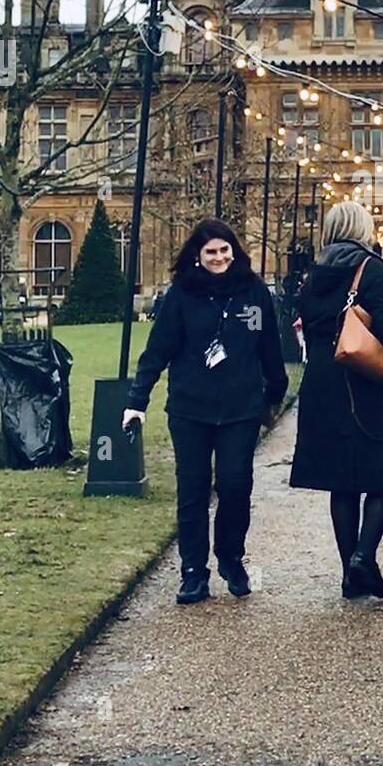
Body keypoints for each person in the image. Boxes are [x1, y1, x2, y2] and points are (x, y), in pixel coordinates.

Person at [123, 219, 288, 605]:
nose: (219, 258)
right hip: (190, 408)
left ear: (235, 250)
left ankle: (231, 557)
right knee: (192, 491)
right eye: (210, 252)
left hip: (240, 409)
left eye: (224, 250)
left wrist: (274, 391)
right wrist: (137, 401)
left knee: (235, 486)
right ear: (197, 256)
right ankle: (193, 572)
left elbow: (270, 347)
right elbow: (157, 350)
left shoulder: (254, 294)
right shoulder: (181, 295)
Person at [290, 202, 383, 598]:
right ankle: (364, 557)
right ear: (361, 228)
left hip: (322, 384)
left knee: (341, 481)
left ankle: (350, 570)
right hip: (365, 384)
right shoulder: (371, 269)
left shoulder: (314, 275)